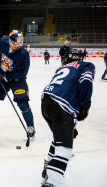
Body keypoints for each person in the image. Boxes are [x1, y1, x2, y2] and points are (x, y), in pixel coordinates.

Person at [41, 50, 95, 187]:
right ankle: (50, 182)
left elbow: (65, 88)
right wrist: (85, 104)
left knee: (58, 139)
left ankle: (48, 168)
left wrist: (72, 126)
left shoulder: (62, 67)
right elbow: (86, 81)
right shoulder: (86, 65)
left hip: (46, 102)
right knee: (64, 149)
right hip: (61, 105)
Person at [0, 30, 35, 137]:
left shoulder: (23, 54)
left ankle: (30, 126)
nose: (14, 45)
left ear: (21, 42)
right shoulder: (4, 42)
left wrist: (8, 76)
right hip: (1, 78)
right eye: (12, 42)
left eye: (17, 43)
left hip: (17, 80)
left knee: (22, 103)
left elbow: (22, 73)